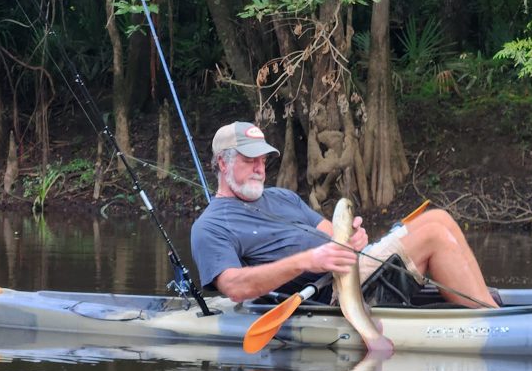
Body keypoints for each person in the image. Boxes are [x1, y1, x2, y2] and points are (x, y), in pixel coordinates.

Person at [190, 121, 498, 308]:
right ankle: (493, 320)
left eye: (263, 160)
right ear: (222, 163)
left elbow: (333, 235)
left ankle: (483, 301)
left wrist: (352, 238)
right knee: (433, 235)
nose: (260, 169)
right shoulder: (210, 226)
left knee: (438, 218)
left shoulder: (282, 196)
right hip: (332, 293)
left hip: (353, 270)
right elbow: (235, 288)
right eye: (249, 160)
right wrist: (306, 261)